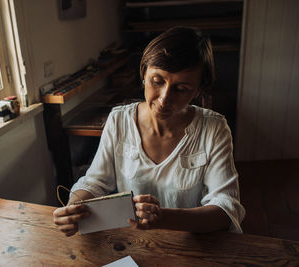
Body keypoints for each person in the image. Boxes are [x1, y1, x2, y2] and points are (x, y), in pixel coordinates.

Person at [53, 27, 245, 237]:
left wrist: (164, 218)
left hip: (192, 244)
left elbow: (226, 209)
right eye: (157, 81)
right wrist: (74, 207)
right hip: (135, 243)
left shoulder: (213, 129)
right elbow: (96, 182)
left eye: (181, 89)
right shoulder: (119, 121)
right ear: (144, 73)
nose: (164, 99)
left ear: (198, 90)